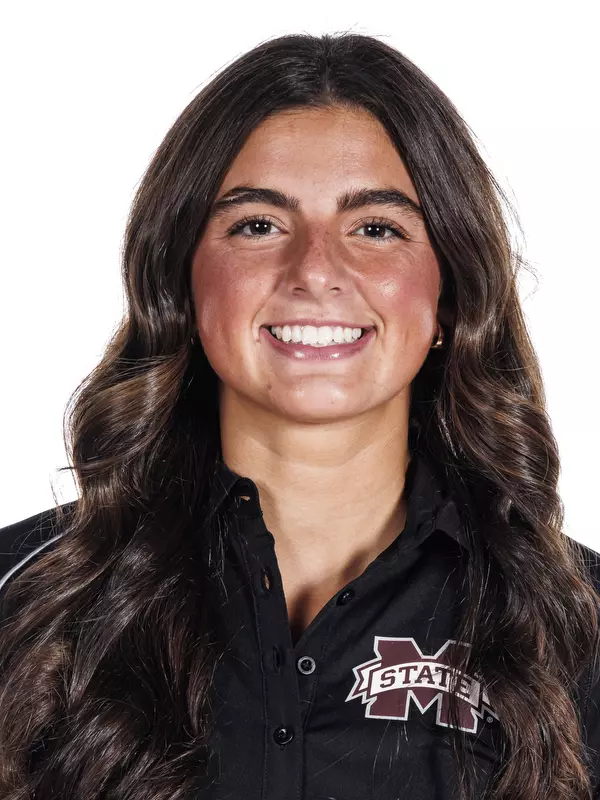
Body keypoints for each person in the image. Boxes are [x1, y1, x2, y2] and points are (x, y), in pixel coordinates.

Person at [0, 31, 599, 800]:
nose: (316, 270)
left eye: (376, 228)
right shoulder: (24, 595)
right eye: (259, 225)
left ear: (450, 294)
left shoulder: (575, 621)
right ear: (180, 284)